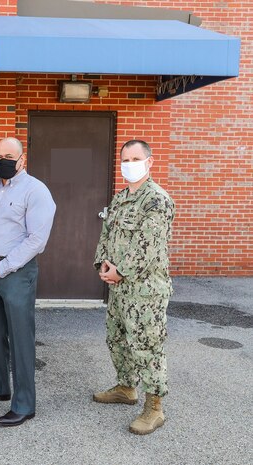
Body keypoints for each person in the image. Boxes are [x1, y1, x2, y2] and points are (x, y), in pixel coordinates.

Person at [0, 137, 56, 427]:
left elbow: (36, 241)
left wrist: (1, 268)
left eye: (8, 155)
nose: (2, 160)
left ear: (22, 159)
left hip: (16, 271)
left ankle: (24, 404)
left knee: (20, 338)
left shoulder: (36, 190)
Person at [93, 139, 175, 435]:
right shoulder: (120, 198)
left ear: (149, 162)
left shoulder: (156, 199)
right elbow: (106, 233)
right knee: (117, 339)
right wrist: (103, 263)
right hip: (119, 289)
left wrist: (121, 271)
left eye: (135, 158)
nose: (129, 164)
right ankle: (127, 388)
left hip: (145, 291)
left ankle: (154, 408)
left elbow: (149, 245)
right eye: (125, 159)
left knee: (147, 346)